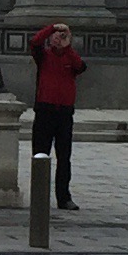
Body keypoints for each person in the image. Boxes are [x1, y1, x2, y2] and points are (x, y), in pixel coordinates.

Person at [29, 19, 86, 210]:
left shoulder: (70, 57)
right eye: (55, 36)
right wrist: (52, 28)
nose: (57, 39)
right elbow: (35, 41)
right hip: (44, 111)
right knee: (40, 156)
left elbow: (80, 66)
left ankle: (64, 197)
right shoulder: (43, 56)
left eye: (61, 36)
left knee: (64, 157)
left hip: (64, 113)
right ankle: (39, 196)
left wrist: (68, 46)